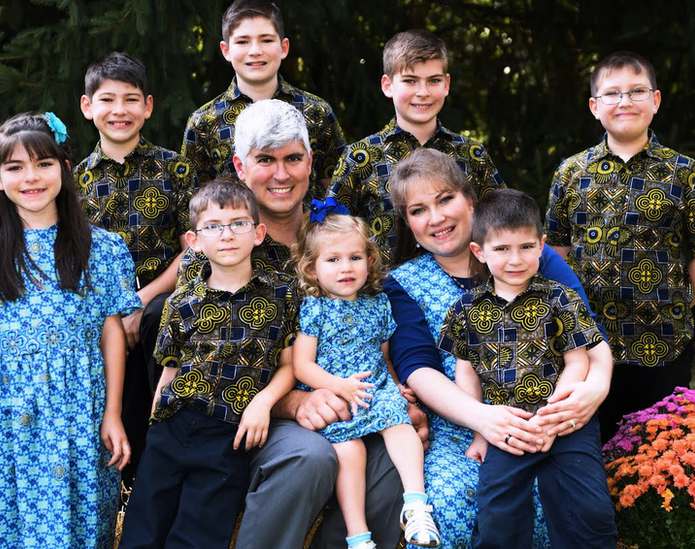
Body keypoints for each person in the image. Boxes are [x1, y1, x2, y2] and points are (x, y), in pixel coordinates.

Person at [179, 99, 406, 549]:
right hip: (253, 415)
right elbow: (203, 365)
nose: (281, 175)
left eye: (292, 159)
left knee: (397, 455)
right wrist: (293, 404)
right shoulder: (219, 245)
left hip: (352, 400)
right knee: (310, 456)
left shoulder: (337, 237)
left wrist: (400, 393)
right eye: (266, 160)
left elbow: (383, 321)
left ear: (309, 162)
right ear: (241, 167)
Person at [383, 148, 615, 549]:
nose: (436, 218)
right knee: (452, 509)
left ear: (469, 200)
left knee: (573, 502)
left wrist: (597, 387)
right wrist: (483, 421)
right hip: (462, 425)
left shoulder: (522, 253)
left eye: (445, 199)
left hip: (552, 413)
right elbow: (418, 367)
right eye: (418, 210)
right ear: (408, 222)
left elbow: (589, 339)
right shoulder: (403, 282)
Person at [0, 112, 142, 548]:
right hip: (16, 413)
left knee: (88, 516)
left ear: (65, 169)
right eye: (15, 168)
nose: (31, 177)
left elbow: (112, 336)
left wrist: (112, 413)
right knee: (17, 521)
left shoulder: (101, 248)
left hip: (82, 409)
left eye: (43, 163)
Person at [544, 51, 695, 443]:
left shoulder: (688, 174)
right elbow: (555, 254)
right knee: (592, 450)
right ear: (595, 107)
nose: (625, 102)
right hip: (587, 344)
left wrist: (674, 301)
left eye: (636, 91)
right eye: (612, 93)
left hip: (661, 342)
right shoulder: (570, 173)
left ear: (656, 100)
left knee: (657, 456)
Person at [119, 180, 299, 548]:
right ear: (195, 241)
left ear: (258, 233)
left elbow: (289, 363)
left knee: (200, 533)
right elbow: (169, 369)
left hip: (227, 433)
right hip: (173, 425)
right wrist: (156, 426)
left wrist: (263, 403)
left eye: (238, 224)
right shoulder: (182, 301)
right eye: (213, 227)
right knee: (144, 526)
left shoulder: (281, 294)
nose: (227, 235)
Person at [437, 189, 616, 548]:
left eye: (525, 247)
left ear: (541, 246)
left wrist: (551, 415)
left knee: (591, 510)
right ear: (479, 252)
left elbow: (577, 361)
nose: (515, 259)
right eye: (502, 249)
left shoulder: (559, 298)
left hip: (564, 420)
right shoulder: (466, 309)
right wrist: (479, 430)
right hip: (508, 424)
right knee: (498, 514)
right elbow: (467, 372)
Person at [73, 51, 200, 483]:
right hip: (93, 307)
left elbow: (195, 249)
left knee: (154, 322)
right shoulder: (73, 182)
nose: (119, 111)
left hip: (159, 297)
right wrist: (113, 313)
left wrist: (140, 302)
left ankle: (150, 475)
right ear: (88, 107)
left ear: (147, 106)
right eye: (107, 100)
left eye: (130, 100)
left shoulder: (175, 168)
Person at [292, 201, 440, 549]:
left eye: (355, 258)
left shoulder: (378, 304)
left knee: (401, 425)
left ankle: (416, 504)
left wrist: (396, 384)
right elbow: (302, 365)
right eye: (333, 260)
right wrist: (338, 386)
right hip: (333, 391)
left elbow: (384, 354)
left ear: (369, 261)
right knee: (349, 451)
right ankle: (359, 537)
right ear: (312, 269)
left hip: (375, 386)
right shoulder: (316, 307)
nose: (346, 267)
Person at [329, 29, 505, 260]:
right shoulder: (361, 157)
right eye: (410, 81)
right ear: (387, 85)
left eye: (433, 80)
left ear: (446, 84)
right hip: (386, 291)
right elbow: (331, 232)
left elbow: (502, 223)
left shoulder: (471, 153)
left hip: (467, 288)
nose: (423, 92)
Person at [181, 0, 346, 201]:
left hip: (304, 229)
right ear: (226, 50)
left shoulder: (316, 112)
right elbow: (196, 201)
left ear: (284, 47)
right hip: (236, 231)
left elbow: (337, 188)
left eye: (266, 40)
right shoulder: (203, 122)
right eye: (243, 42)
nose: (255, 51)